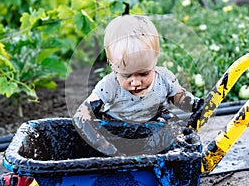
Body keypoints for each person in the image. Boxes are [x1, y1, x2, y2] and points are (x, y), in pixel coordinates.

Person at [73, 14, 203, 156]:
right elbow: (82, 114)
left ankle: (176, 157)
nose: (135, 82)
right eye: (126, 75)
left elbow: (179, 98)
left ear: (154, 61)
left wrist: (194, 104)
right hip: (117, 129)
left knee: (176, 126)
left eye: (144, 74)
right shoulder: (109, 85)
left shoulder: (164, 78)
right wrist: (101, 143)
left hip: (153, 123)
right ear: (112, 65)